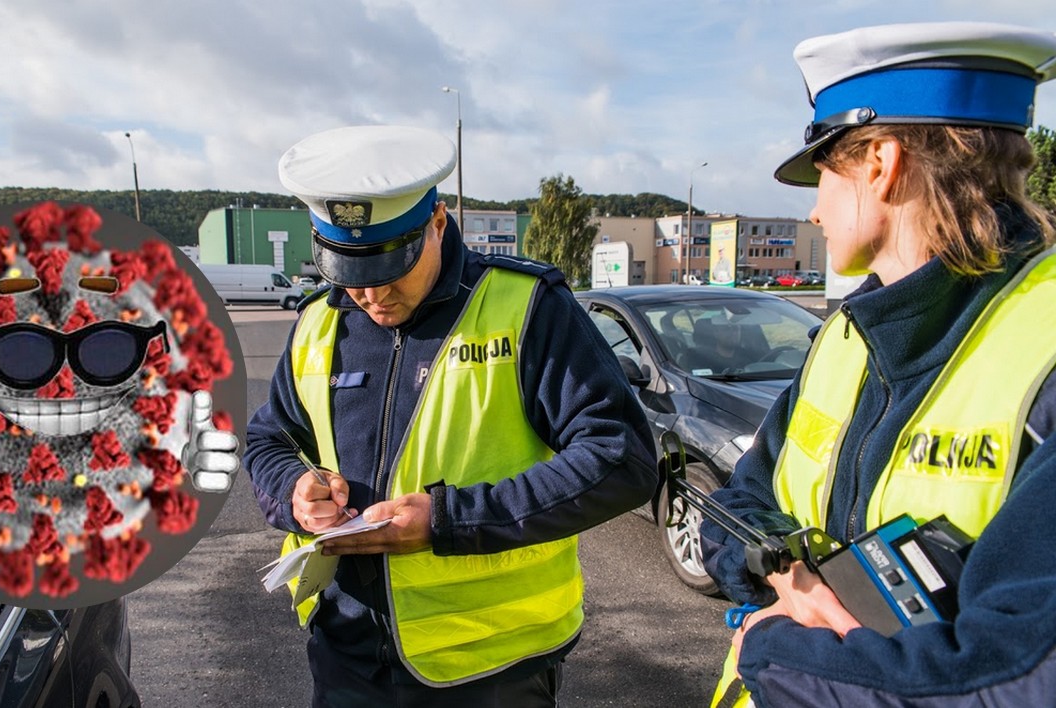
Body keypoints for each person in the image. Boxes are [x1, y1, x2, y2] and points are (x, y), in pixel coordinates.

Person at [700, 22, 1056, 707]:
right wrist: (788, 581)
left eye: (823, 171)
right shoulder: (845, 336)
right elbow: (736, 504)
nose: (812, 208)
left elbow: (1017, 680)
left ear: (880, 164)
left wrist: (772, 648)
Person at [244, 125, 660, 707]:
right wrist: (293, 488)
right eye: (353, 278)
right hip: (346, 656)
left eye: (392, 270)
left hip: (493, 669)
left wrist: (448, 520)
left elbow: (623, 459)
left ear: (438, 222)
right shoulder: (318, 321)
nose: (372, 297)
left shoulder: (526, 305)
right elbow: (269, 438)